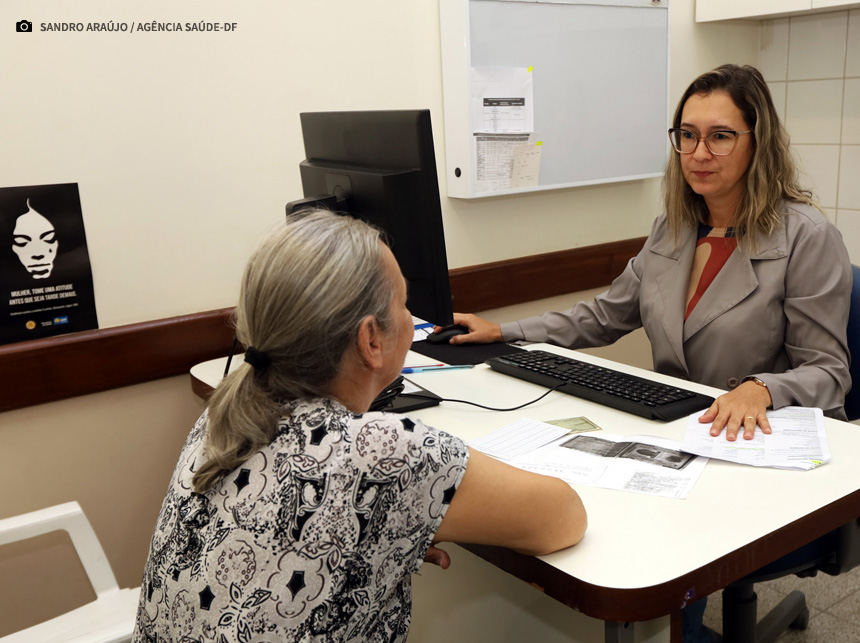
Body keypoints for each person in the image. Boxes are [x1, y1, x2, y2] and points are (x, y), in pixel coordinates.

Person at [133, 209, 587, 642]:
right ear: (371, 339)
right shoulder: (383, 452)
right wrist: (413, 495)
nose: (412, 320)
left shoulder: (226, 410)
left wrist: (389, 526)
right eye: (405, 304)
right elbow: (564, 517)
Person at [444, 63, 852, 440]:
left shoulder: (807, 236)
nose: (699, 153)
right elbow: (605, 316)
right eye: (688, 135)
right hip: (680, 427)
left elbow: (830, 374)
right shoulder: (672, 228)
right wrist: (504, 332)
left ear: (757, 144)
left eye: (721, 136)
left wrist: (762, 388)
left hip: (757, 437)